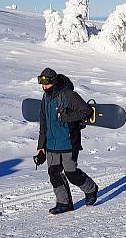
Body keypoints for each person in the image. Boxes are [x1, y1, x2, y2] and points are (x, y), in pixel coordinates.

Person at [36, 67, 99, 215]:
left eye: (45, 82)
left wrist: (67, 117)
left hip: (68, 142)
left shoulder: (68, 95)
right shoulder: (45, 98)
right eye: (41, 82)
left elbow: (86, 111)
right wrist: (40, 147)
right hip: (51, 144)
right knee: (54, 174)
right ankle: (64, 203)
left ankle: (91, 189)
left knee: (71, 173)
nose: (43, 86)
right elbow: (43, 123)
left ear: (53, 81)